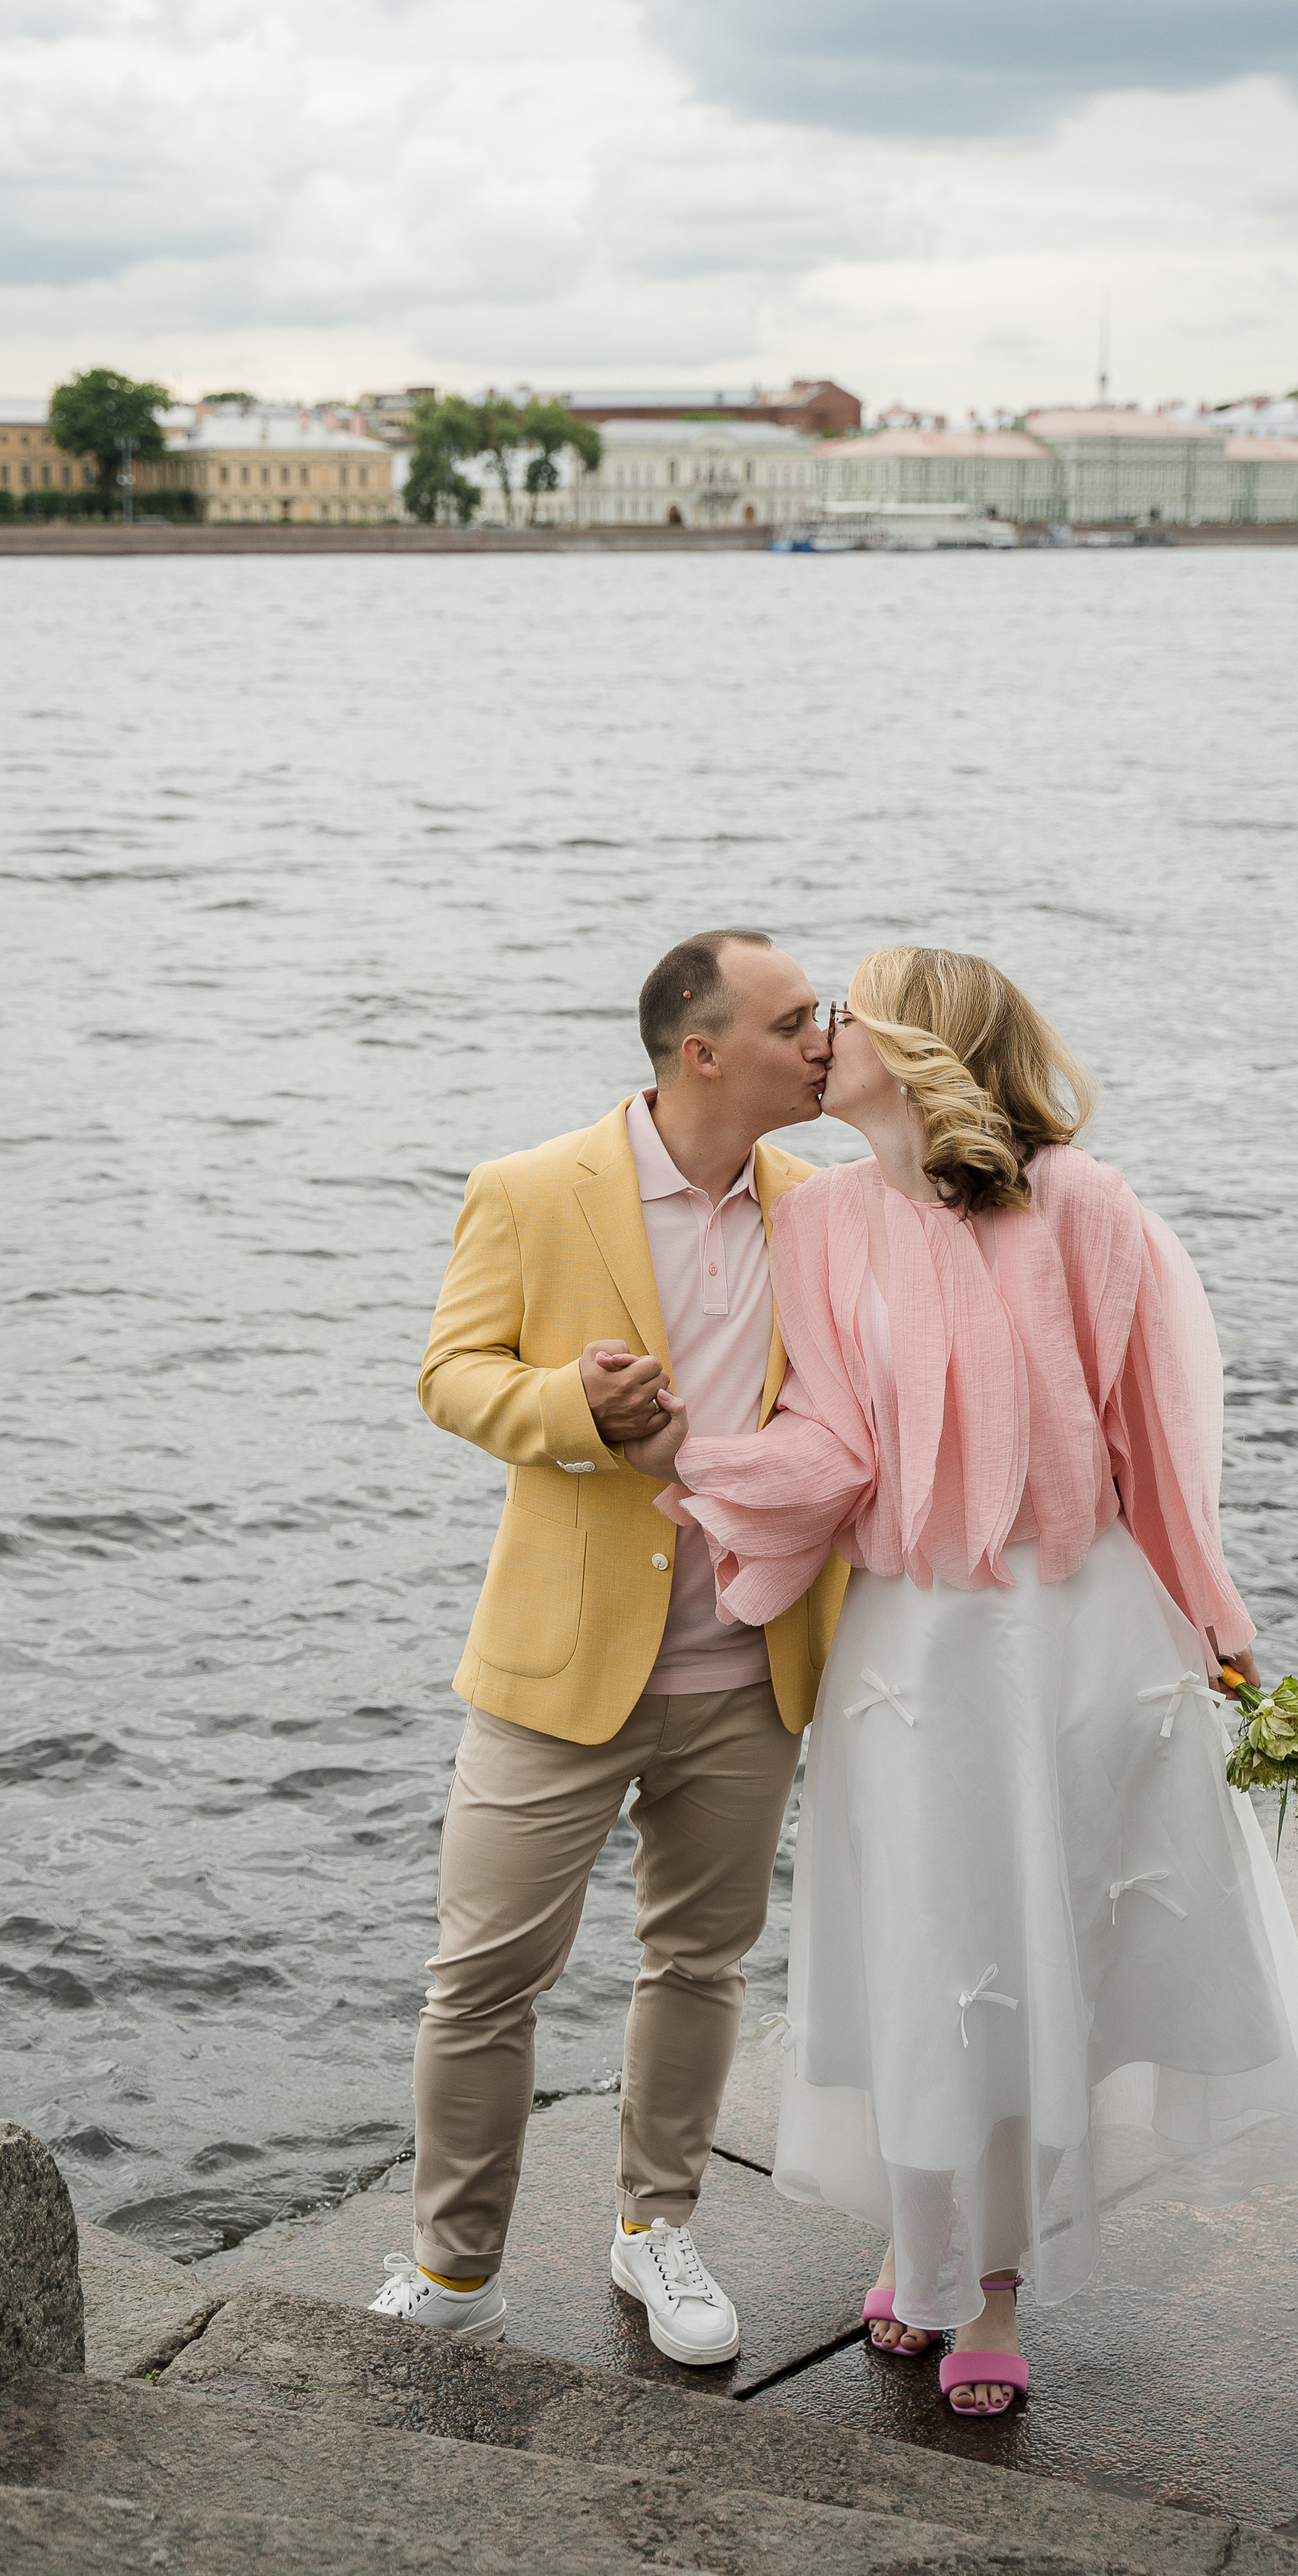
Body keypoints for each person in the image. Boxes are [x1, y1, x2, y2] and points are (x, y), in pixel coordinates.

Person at [623, 947, 1298, 2418]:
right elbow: (834, 1441)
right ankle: (920, 2236)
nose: (820, 1040)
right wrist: (687, 1465)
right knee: (920, 1946)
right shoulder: (820, 1225)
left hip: (1072, 1634)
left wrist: (1212, 1619)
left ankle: (994, 2288)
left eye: (849, 1016)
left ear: (922, 1041)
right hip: (909, 1646)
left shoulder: (1080, 1203)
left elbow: (1150, 1436)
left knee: (1030, 1959)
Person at [368, 931, 849, 2363]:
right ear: (701, 1052)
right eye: (793, 1022)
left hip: (752, 1660)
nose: (825, 1042)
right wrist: (574, 1406)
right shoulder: (530, 1191)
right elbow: (451, 1374)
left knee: (701, 1963)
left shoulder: (824, 1209)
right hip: (559, 1663)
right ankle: (457, 2272)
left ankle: (657, 2230)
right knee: (480, 1981)